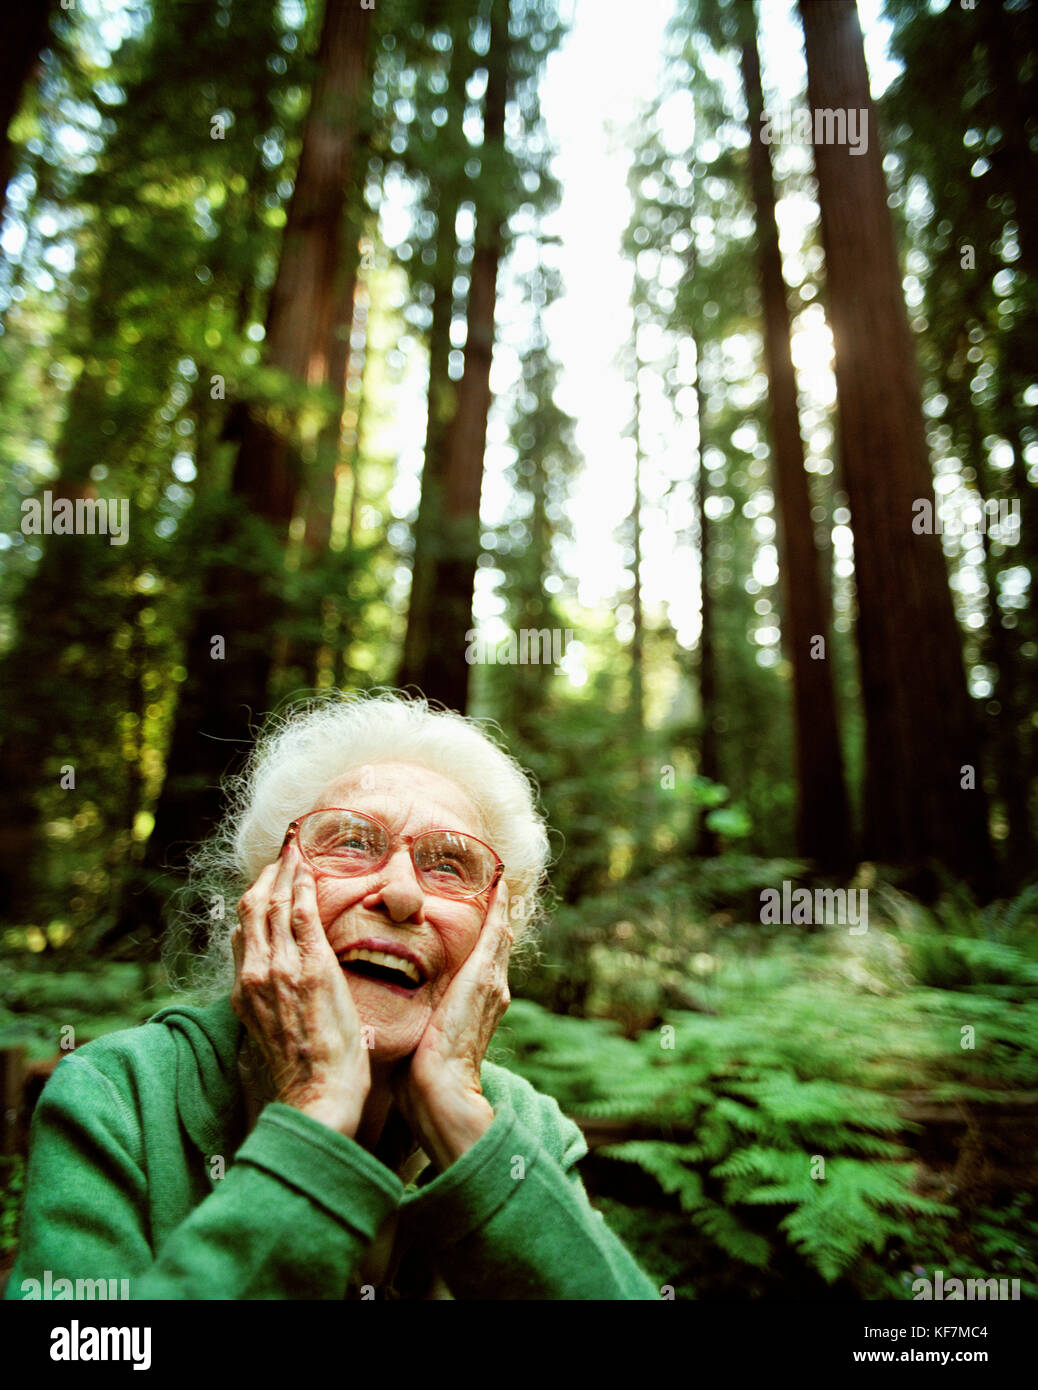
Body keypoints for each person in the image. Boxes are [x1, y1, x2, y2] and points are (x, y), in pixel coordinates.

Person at [6, 691, 657, 1299]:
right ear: (262, 900)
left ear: (495, 935)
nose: (402, 895)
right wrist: (318, 1111)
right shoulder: (118, 1093)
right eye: (350, 844)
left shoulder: (524, 1129)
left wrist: (462, 1124)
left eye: (449, 865)